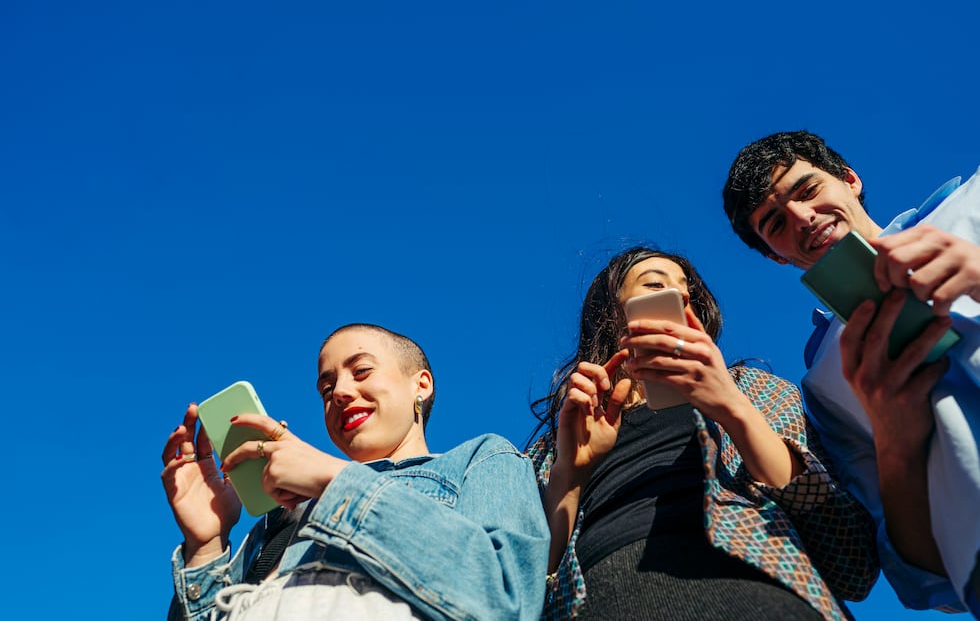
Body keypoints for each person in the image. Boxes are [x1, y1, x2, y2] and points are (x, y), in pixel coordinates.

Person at [526, 246, 878, 621]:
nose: (679, 294)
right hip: (604, 597)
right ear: (613, 315)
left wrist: (730, 405)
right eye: (655, 284)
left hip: (762, 597)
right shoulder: (554, 445)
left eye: (688, 289)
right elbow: (529, 590)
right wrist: (569, 475)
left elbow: (851, 562)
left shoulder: (755, 390)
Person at [722, 130, 980, 615]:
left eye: (807, 190)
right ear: (777, 255)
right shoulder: (823, 385)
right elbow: (920, 575)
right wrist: (894, 438)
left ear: (849, 179)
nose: (802, 218)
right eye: (776, 223)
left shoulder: (974, 204)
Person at [162, 323, 550, 620]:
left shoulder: (482, 458)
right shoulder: (276, 522)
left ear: (422, 384)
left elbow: (508, 598)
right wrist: (206, 547)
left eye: (361, 371)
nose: (341, 392)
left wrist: (334, 480)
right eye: (326, 389)